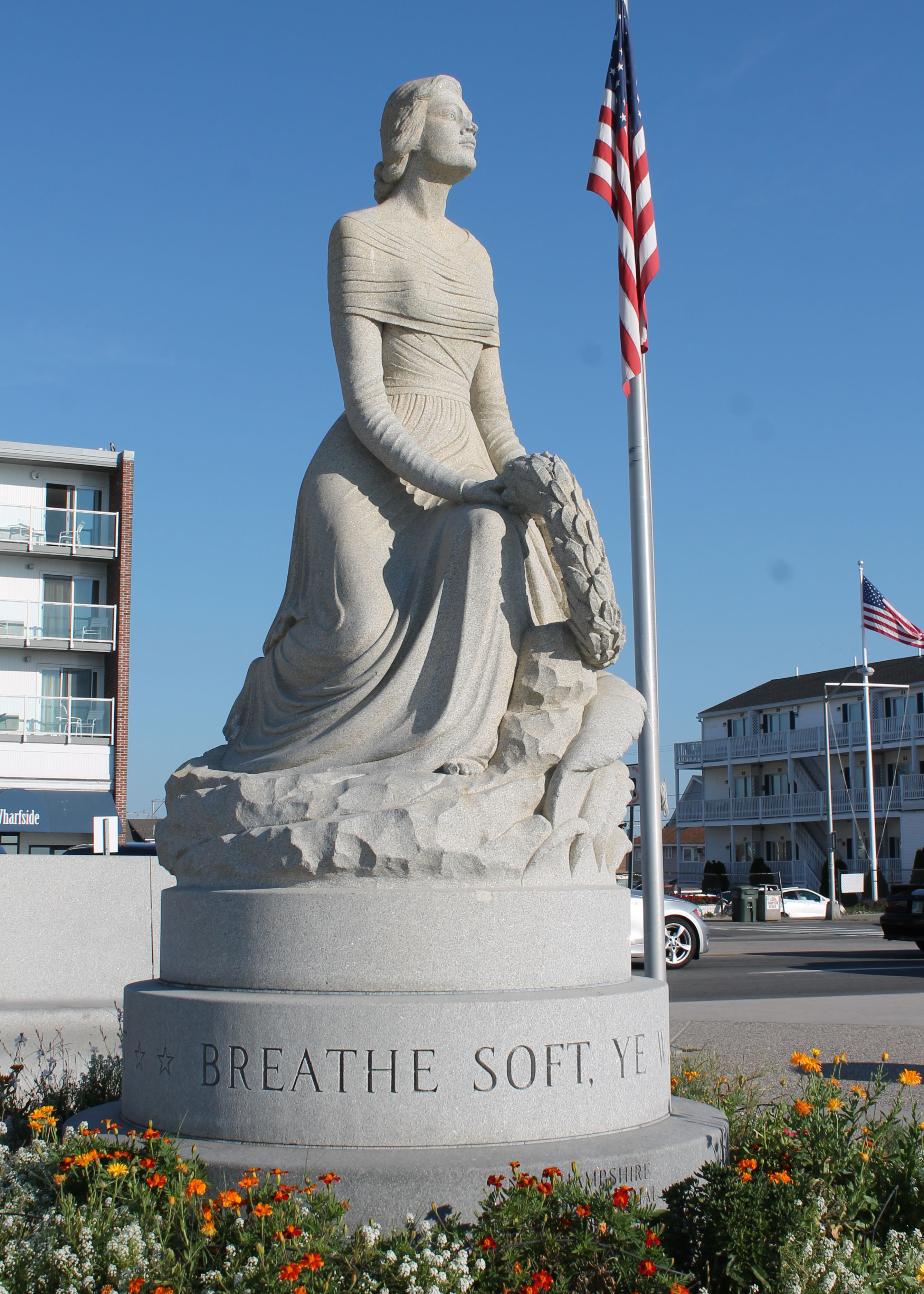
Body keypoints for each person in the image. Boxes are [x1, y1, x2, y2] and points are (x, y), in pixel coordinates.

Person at [220, 76, 564, 776]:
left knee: (490, 535)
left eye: (473, 112)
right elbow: (366, 404)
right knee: (352, 638)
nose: (471, 124)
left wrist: (522, 479)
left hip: (465, 458)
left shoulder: (477, 256)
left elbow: (492, 413)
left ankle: (453, 743)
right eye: (453, 113)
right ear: (408, 130)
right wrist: (462, 482)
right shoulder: (360, 235)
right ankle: (271, 713)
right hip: (369, 465)